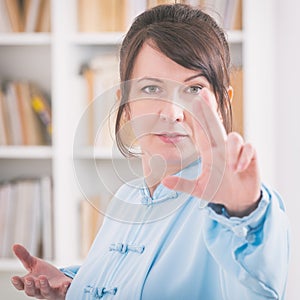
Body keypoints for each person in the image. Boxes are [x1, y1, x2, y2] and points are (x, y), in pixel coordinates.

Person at [11, 3, 289, 299]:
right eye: (151, 89)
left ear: (222, 102)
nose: (172, 113)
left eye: (194, 89)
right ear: (125, 104)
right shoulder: (125, 197)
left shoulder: (234, 206)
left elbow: (261, 281)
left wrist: (243, 213)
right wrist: (72, 285)